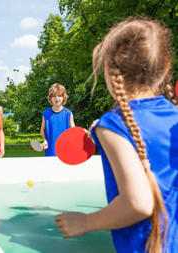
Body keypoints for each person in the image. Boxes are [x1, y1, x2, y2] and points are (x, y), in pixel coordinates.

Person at [55, 17, 178, 253]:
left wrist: (85, 222)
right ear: (164, 68)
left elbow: (139, 204)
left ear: (112, 72)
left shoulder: (113, 125)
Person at [41, 83, 75, 156]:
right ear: (50, 98)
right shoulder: (46, 114)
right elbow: (42, 130)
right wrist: (44, 141)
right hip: (50, 152)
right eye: (54, 96)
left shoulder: (68, 114)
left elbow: (74, 132)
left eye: (59, 96)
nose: (57, 98)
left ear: (64, 97)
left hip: (66, 152)